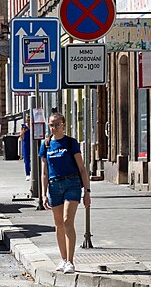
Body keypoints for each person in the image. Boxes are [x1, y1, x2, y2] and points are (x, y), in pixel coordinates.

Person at [40, 113, 91, 274]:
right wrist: (43, 194)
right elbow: (44, 172)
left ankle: (70, 261)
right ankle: (62, 259)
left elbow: (82, 168)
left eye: (57, 124)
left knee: (67, 220)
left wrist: (87, 191)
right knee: (58, 224)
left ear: (63, 125)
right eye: (51, 125)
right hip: (54, 186)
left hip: (72, 184)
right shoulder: (46, 145)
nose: (54, 128)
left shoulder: (71, 142)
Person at [20, 114, 31, 181]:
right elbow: (21, 135)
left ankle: (33, 170)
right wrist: (24, 131)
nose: (28, 119)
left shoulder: (33, 125)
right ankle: (27, 174)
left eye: (29, 118)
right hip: (26, 142)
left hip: (32, 143)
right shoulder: (23, 126)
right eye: (27, 118)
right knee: (26, 158)